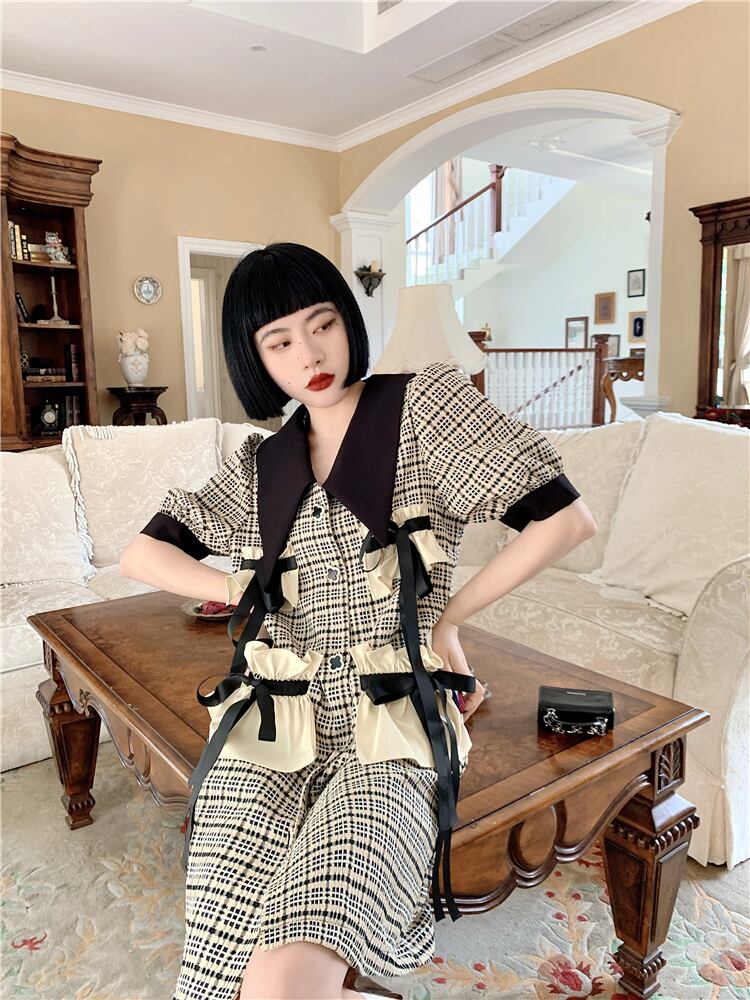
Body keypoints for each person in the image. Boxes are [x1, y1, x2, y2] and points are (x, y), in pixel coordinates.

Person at [119, 242, 596, 1000]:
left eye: (322, 324)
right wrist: (248, 588)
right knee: (215, 964)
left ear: (347, 321)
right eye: (279, 341)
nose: (309, 354)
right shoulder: (263, 463)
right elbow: (141, 554)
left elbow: (565, 519)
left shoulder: (423, 411)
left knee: (285, 970)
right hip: (274, 721)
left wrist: (447, 620)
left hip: (392, 719)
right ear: (255, 359)